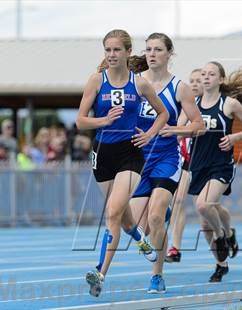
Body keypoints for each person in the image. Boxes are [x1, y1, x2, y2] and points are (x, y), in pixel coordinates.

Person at [76, 29, 169, 297]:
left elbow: (162, 113)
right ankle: (140, 237)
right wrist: (103, 121)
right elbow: (81, 120)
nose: (112, 55)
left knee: (113, 213)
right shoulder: (96, 81)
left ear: (128, 52)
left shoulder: (139, 84)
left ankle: (100, 273)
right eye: (107, 50)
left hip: (130, 152)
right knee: (125, 218)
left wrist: (150, 134)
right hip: (103, 154)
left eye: (117, 50)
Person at [127, 33, 204, 293]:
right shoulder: (134, 84)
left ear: (169, 54)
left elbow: (199, 125)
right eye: (148, 49)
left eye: (158, 49)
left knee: (156, 217)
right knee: (134, 226)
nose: (152, 54)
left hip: (167, 158)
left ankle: (157, 275)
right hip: (138, 160)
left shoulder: (179, 87)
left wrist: (176, 131)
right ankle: (160, 217)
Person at [187, 61, 242, 282]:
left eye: (211, 74)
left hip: (221, 165)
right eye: (203, 74)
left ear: (220, 80)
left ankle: (221, 236)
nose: (205, 77)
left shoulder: (230, 104)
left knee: (203, 205)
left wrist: (235, 138)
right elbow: (181, 126)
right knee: (208, 216)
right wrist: (171, 131)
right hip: (198, 165)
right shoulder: (192, 103)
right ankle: (222, 261)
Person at [166, 68, 203, 263]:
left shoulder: (215, 104)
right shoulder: (187, 105)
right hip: (187, 160)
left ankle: (225, 232)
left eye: (200, 80)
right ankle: (175, 247)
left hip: (207, 162)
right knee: (178, 201)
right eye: (192, 80)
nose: (196, 84)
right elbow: (178, 128)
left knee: (205, 207)